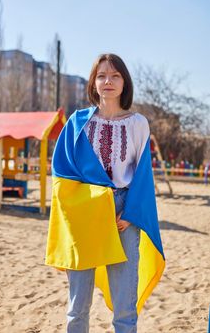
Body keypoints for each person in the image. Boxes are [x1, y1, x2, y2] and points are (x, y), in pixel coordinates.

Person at [45, 54, 165, 333]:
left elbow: (143, 175)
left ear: (125, 82)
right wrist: (83, 207)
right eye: (101, 76)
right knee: (78, 307)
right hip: (84, 210)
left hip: (123, 210)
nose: (108, 81)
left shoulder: (138, 124)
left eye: (115, 75)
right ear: (93, 83)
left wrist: (131, 214)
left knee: (125, 308)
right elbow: (61, 173)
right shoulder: (77, 123)